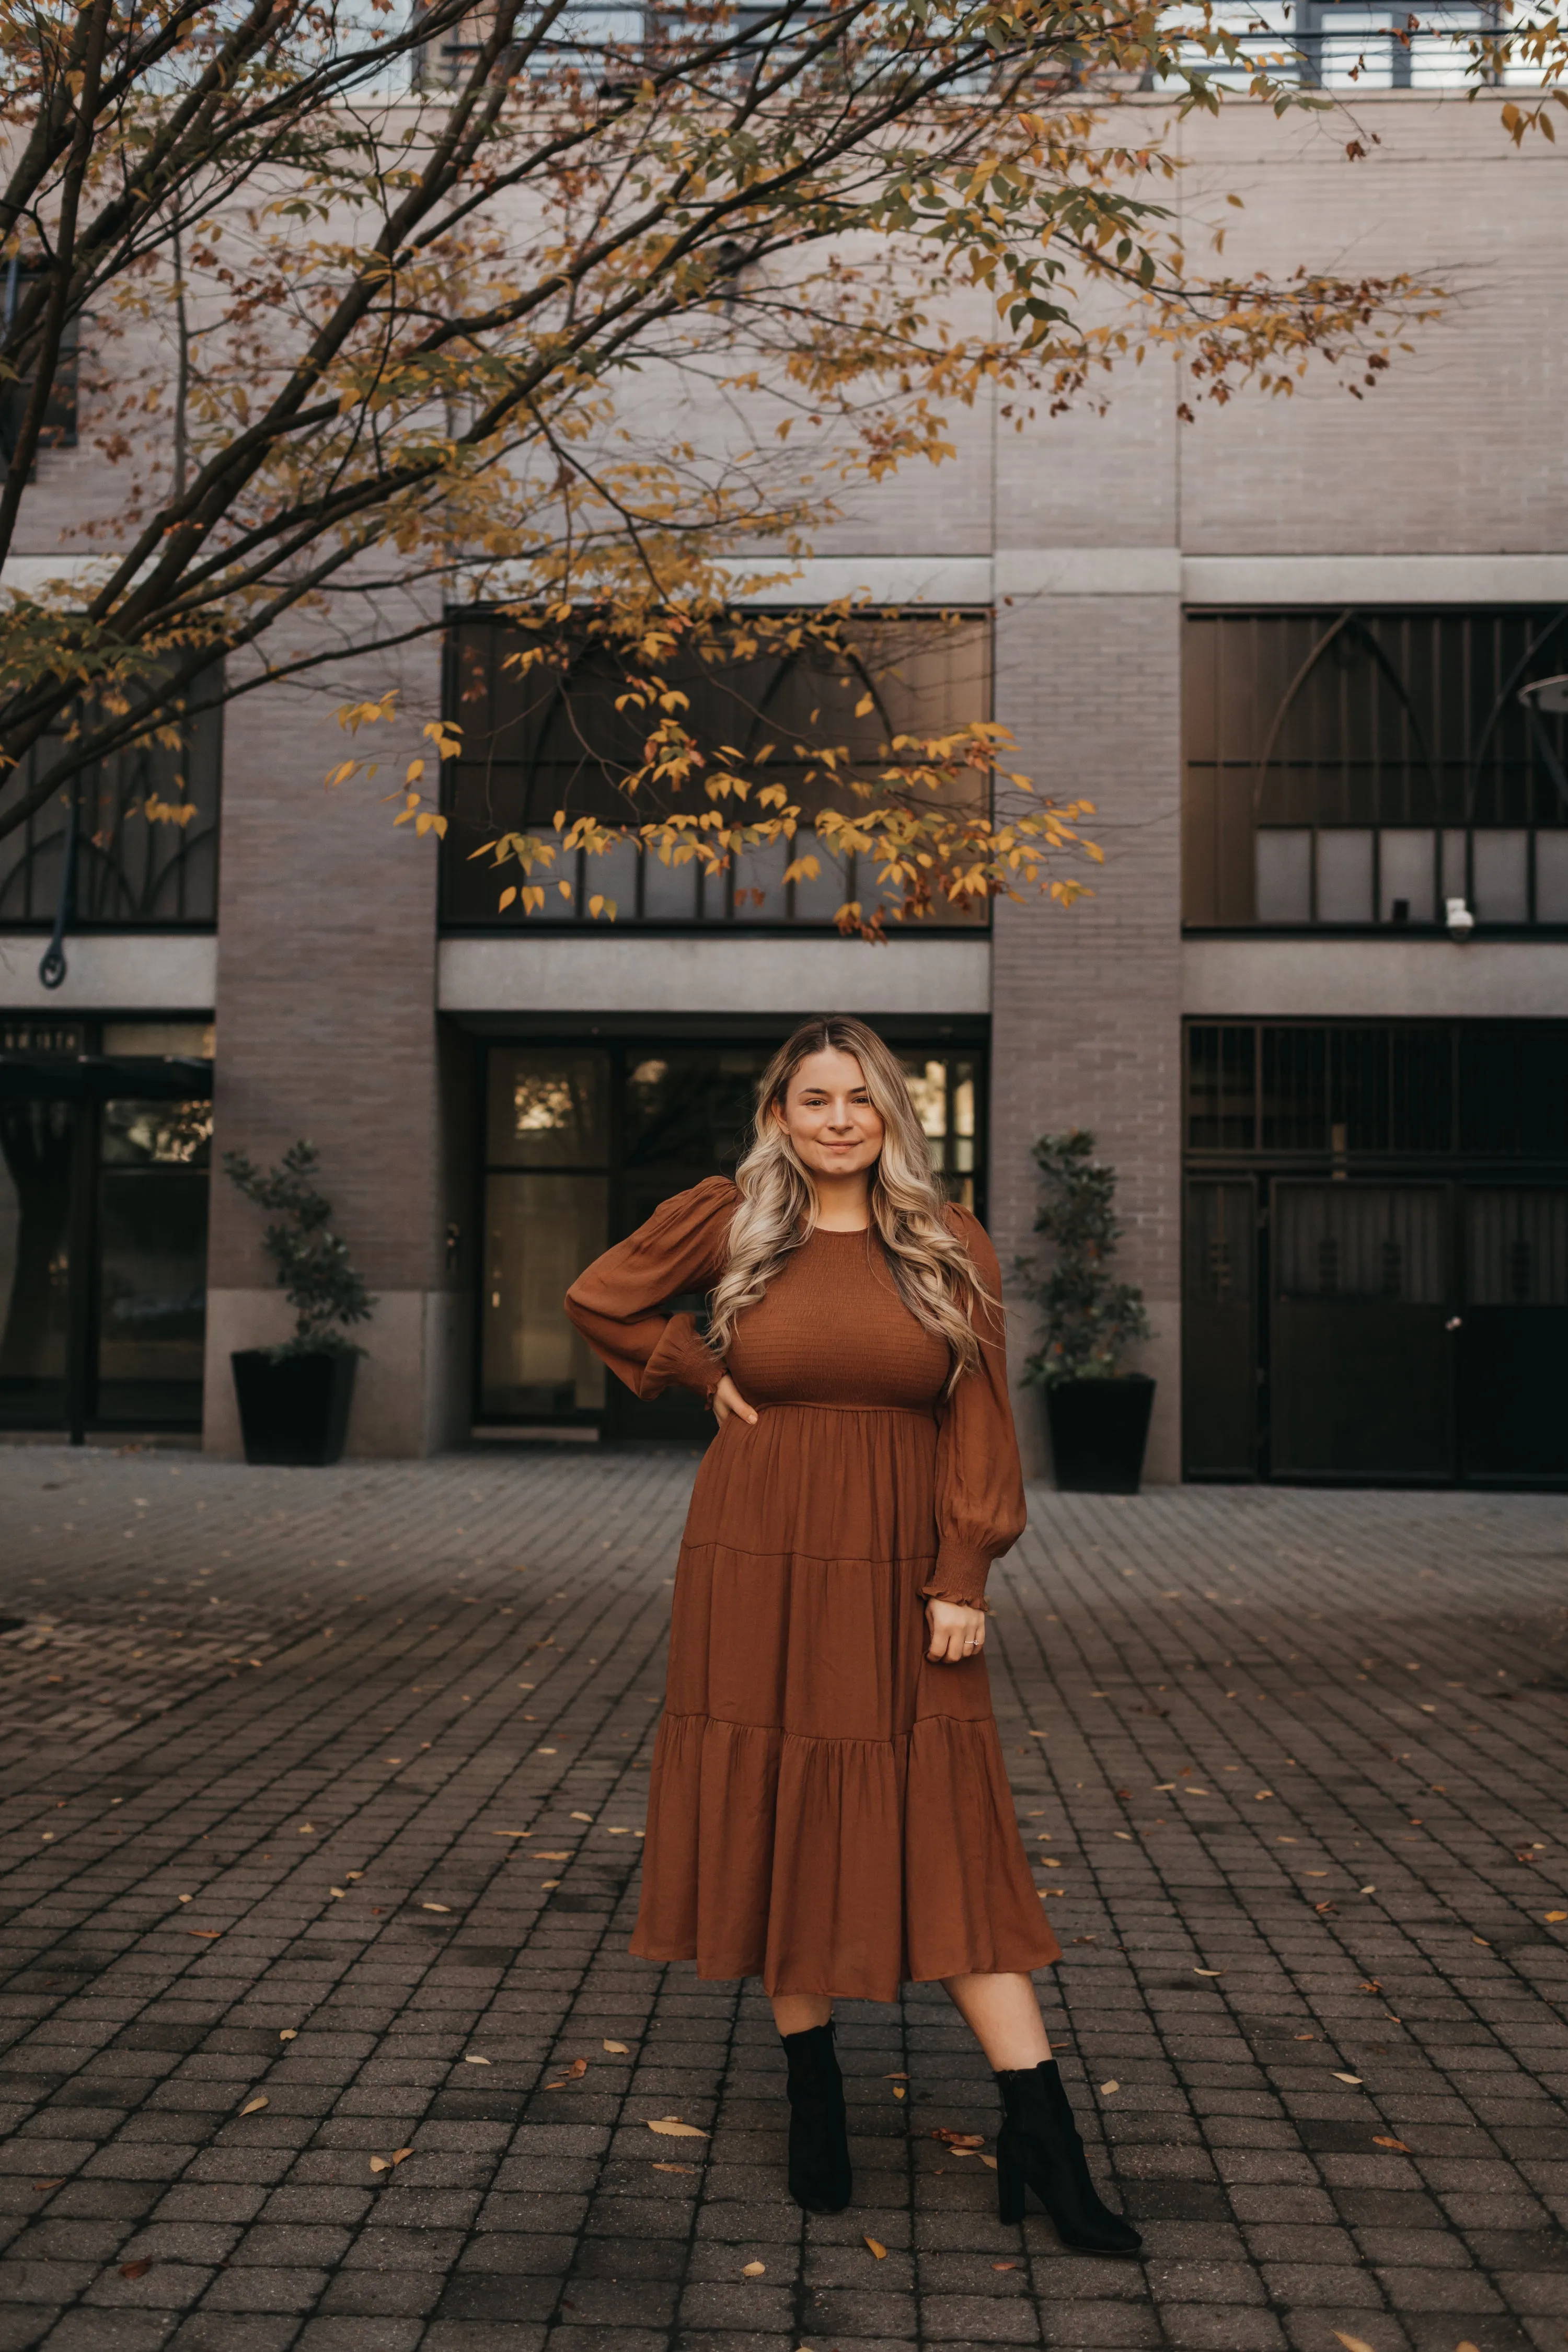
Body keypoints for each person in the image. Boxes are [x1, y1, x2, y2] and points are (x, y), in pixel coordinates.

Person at [564, 1015, 1139, 2251]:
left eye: (860, 1101)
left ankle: (1040, 2129)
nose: (837, 1121)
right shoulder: (734, 1222)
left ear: (891, 1116)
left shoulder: (946, 1240)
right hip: (755, 1552)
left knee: (948, 1822)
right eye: (814, 1100)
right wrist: (688, 1365)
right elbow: (598, 1296)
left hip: (900, 1563)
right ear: (779, 1116)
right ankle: (813, 2092)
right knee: (781, 1797)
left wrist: (963, 1573)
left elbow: (982, 1417)